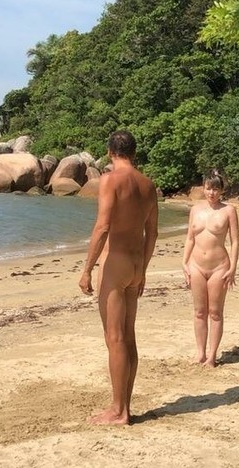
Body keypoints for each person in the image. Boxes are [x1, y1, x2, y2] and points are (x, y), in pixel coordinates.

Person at [78, 130, 159, 425]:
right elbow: (153, 233)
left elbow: (102, 227)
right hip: (136, 264)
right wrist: (144, 270)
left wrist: (87, 269)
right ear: (134, 153)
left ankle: (118, 410)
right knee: (128, 337)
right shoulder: (148, 185)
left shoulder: (110, 180)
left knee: (114, 338)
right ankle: (125, 406)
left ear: (110, 152)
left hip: (115, 264)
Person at [182, 170, 239, 368]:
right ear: (203, 188)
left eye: (216, 189)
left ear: (222, 190)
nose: (211, 193)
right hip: (196, 265)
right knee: (199, 312)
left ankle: (212, 356)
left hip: (219, 267)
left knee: (215, 312)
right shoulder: (195, 210)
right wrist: (184, 262)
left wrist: (233, 268)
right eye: (208, 188)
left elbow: (235, 241)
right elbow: (190, 238)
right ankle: (200, 353)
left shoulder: (229, 210)